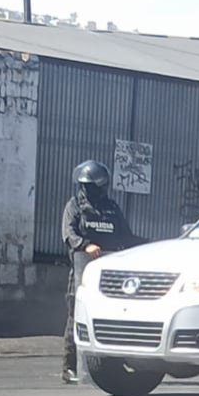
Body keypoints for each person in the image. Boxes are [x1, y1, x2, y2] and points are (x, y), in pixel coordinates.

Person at [60, 160, 137, 384]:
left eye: (92, 185)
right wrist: (86, 245)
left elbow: (125, 236)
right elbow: (68, 234)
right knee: (76, 316)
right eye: (85, 185)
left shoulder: (111, 208)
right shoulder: (74, 206)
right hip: (83, 270)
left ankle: (112, 363)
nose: (88, 189)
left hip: (111, 275)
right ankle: (70, 367)